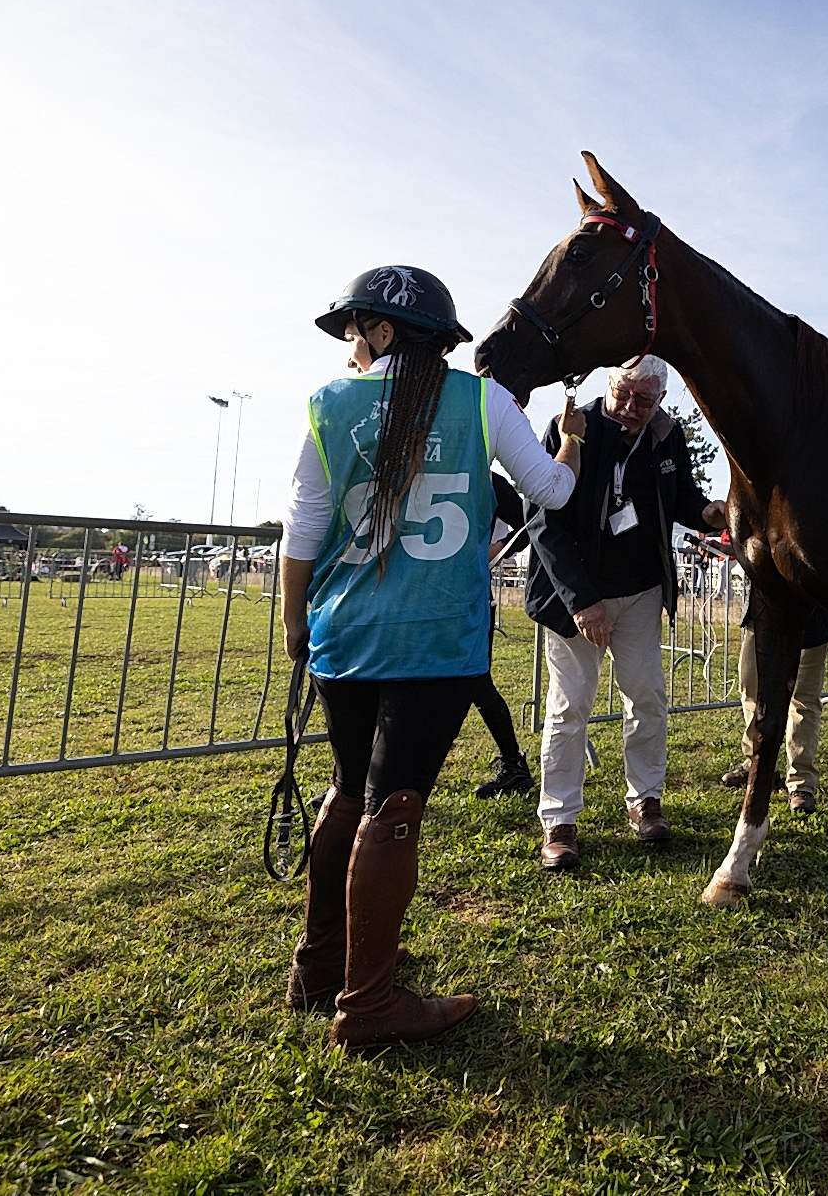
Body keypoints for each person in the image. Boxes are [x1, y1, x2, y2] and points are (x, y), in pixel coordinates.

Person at [279, 264, 584, 1053]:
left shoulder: (328, 404)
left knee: (349, 791)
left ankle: (320, 966)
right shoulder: (482, 400)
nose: (351, 348)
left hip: (343, 635)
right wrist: (573, 446)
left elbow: (302, 530)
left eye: (355, 332)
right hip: (436, 641)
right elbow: (552, 491)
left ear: (383, 331)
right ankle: (369, 1006)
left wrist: (294, 624)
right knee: (394, 809)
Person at [521, 355, 727, 872]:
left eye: (645, 400)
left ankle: (646, 800)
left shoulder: (666, 435)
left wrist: (707, 512)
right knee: (570, 707)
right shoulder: (571, 428)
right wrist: (581, 601)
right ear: (608, 384)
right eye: (624, 395)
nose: (632, 408)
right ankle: (559, 821)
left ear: (661, 400)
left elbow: (679, 496)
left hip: (640, 590)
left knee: (648, 696)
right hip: (578, 594)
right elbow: (544, 522)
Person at [720, 602, 828, 813]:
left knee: (803, 699)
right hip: (763, 610)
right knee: (750, 686)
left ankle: (801, 782)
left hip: (812, 614)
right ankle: (755, 762)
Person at [470, 476, 533, 799]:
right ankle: (360, 777)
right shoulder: (403, 466)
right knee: (393, 680)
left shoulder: (488, 479)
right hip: (408, 597)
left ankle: (514, 765)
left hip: (469, 598)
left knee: (478, 683)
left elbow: (527, 524)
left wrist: (496, 550)